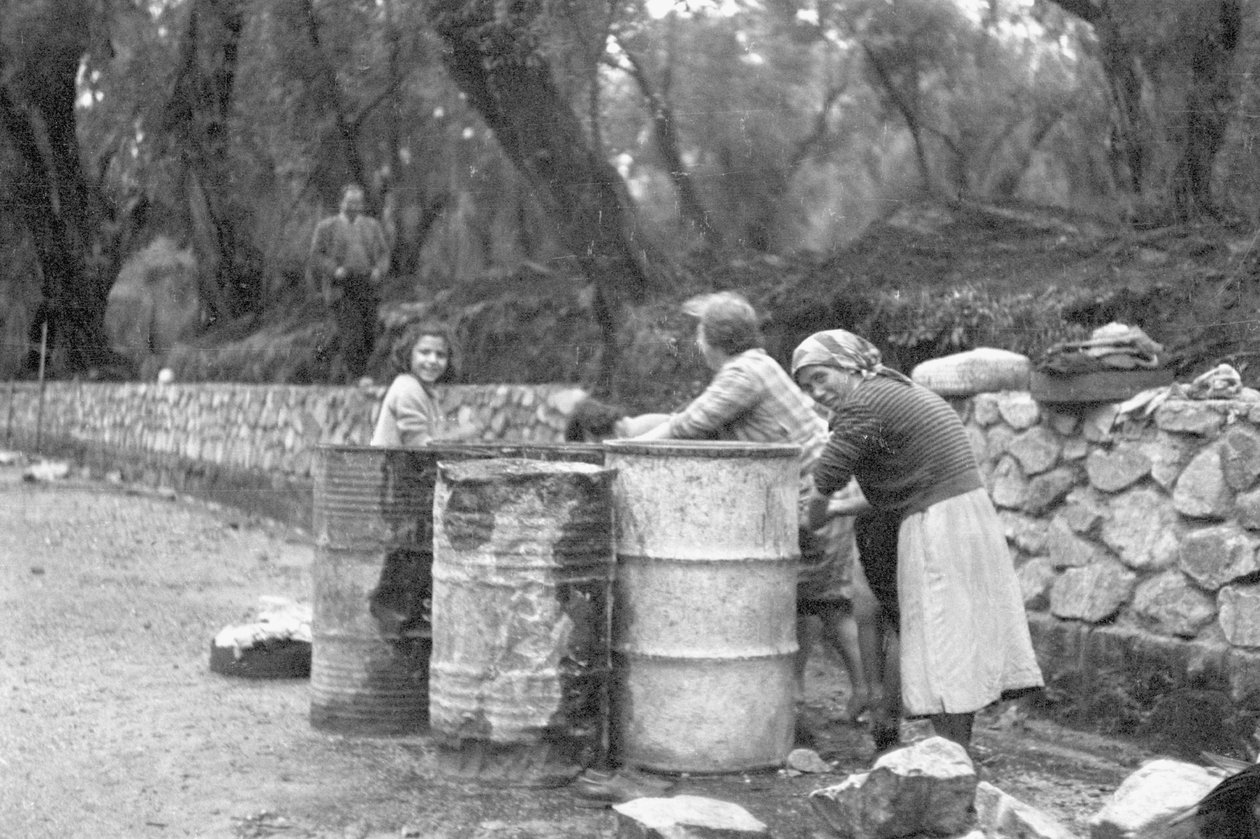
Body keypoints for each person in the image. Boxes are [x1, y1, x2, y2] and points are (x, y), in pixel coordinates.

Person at [632, 291, 881, 732]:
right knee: (813, 600)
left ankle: (847, 694)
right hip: (818, 489)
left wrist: (626, 448)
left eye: (699, 332)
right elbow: (696, 417)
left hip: (816, 496)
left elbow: (689, 426)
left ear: (712, 339)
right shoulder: (755, 366)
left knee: (814, 600)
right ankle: (819, 693)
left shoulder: (743, 374)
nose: (696, 342)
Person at [791, 328, 1044, 753]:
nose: (818, 391)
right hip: (966, 515)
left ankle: (951, 758)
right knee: (957, 634)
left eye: (821, 376)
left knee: (941, 636)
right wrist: (834, 512)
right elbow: (890, 491)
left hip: (939, 523)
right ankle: (954, 749)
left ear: (849, 364)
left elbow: (824, 482)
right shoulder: (892, 390)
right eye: (807, 386)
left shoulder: (863, 405)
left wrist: (808, 524)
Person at [309, 184, 391, 382]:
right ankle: (356, 376)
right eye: (349, 202)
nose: (353, 207)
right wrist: (334, 269)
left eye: (357, 203)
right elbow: (316, 256)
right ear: (341, 203)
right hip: (341, 287)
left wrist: (378, 270)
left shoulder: (372, 226)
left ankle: (349, 370)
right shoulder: (326, 227)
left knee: (369, 332)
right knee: (351, 332)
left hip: (367, 284)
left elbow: (383, 253)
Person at [370, 321, 478, 447]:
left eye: (440, 355)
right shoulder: (408, 389)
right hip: (391, 465)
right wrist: (460, 435)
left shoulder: (425, 391)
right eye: (425, 352)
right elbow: (419, 446)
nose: (433, 360)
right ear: (408, 354)